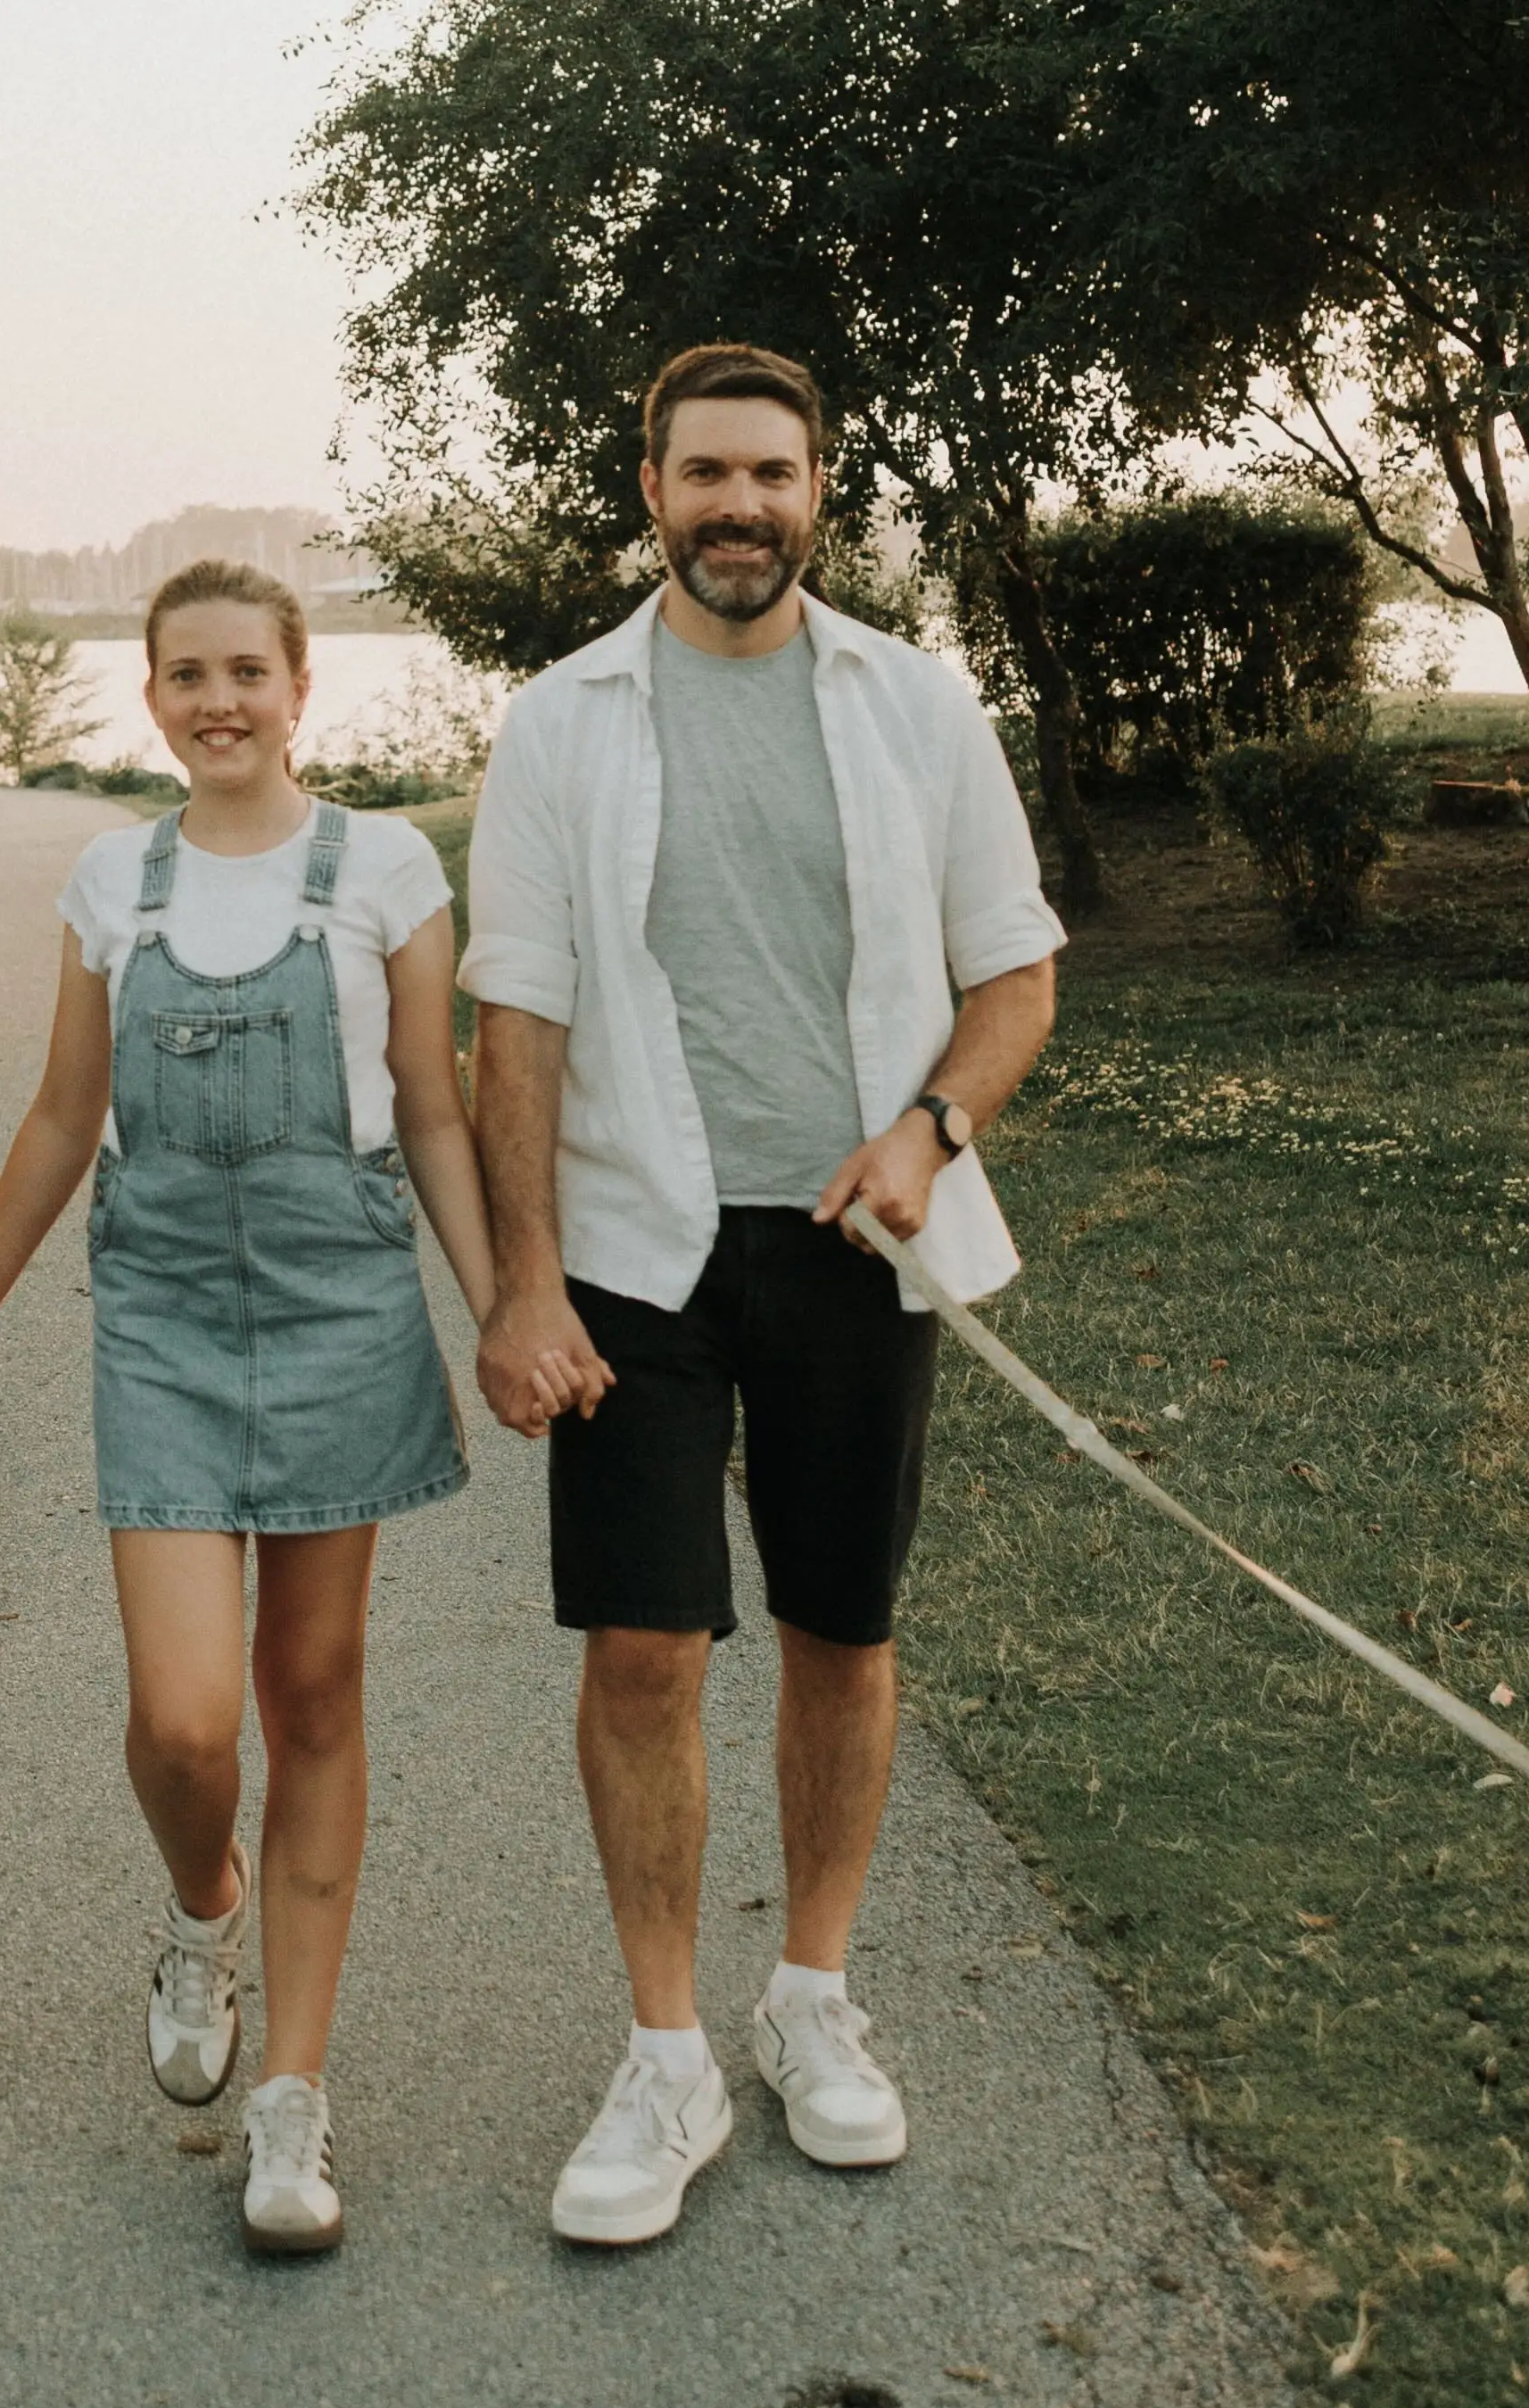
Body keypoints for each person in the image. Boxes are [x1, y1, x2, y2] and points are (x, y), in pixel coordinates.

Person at [463, 344, 1064, 2247]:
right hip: (637, 1253)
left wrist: (932, 1132)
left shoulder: (916, 707)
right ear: (649, 485)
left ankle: (811, 2002)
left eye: (774, 474)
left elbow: (1015, 978)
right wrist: (521, 1281)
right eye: (705, 471)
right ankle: (664, 2057)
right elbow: (518, 1021)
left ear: (821, 490)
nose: (742, 504)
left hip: (847, 1243)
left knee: (839, 1630)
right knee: (644, 1651)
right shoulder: (564, 723)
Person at [0, 560, 559, 2255]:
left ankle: (293, 2109)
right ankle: (204, 1912)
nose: (219, 702)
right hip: (169, 1319)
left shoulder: (389, 868)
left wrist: (500, 1313)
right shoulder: (117, 879)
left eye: (247, 670)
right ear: (153, 696)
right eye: (186, 674)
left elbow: (428, 1106)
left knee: (312, 1693)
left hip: (340, 1303)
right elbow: (59, 1116)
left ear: (299, 683)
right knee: (190, 1721)